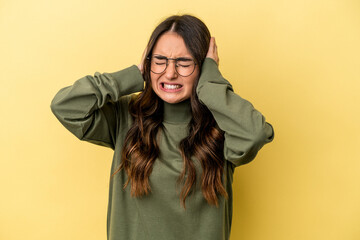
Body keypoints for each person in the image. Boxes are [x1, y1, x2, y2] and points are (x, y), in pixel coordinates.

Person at [50, 14, 274, 240]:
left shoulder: (222, 125)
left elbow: (255, 134)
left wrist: (210, 83)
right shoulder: (126, 116)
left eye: (184, 63)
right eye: (159, 60)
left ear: (203, 67)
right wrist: (136, 75)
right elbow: (66, 106)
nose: (170, 73)